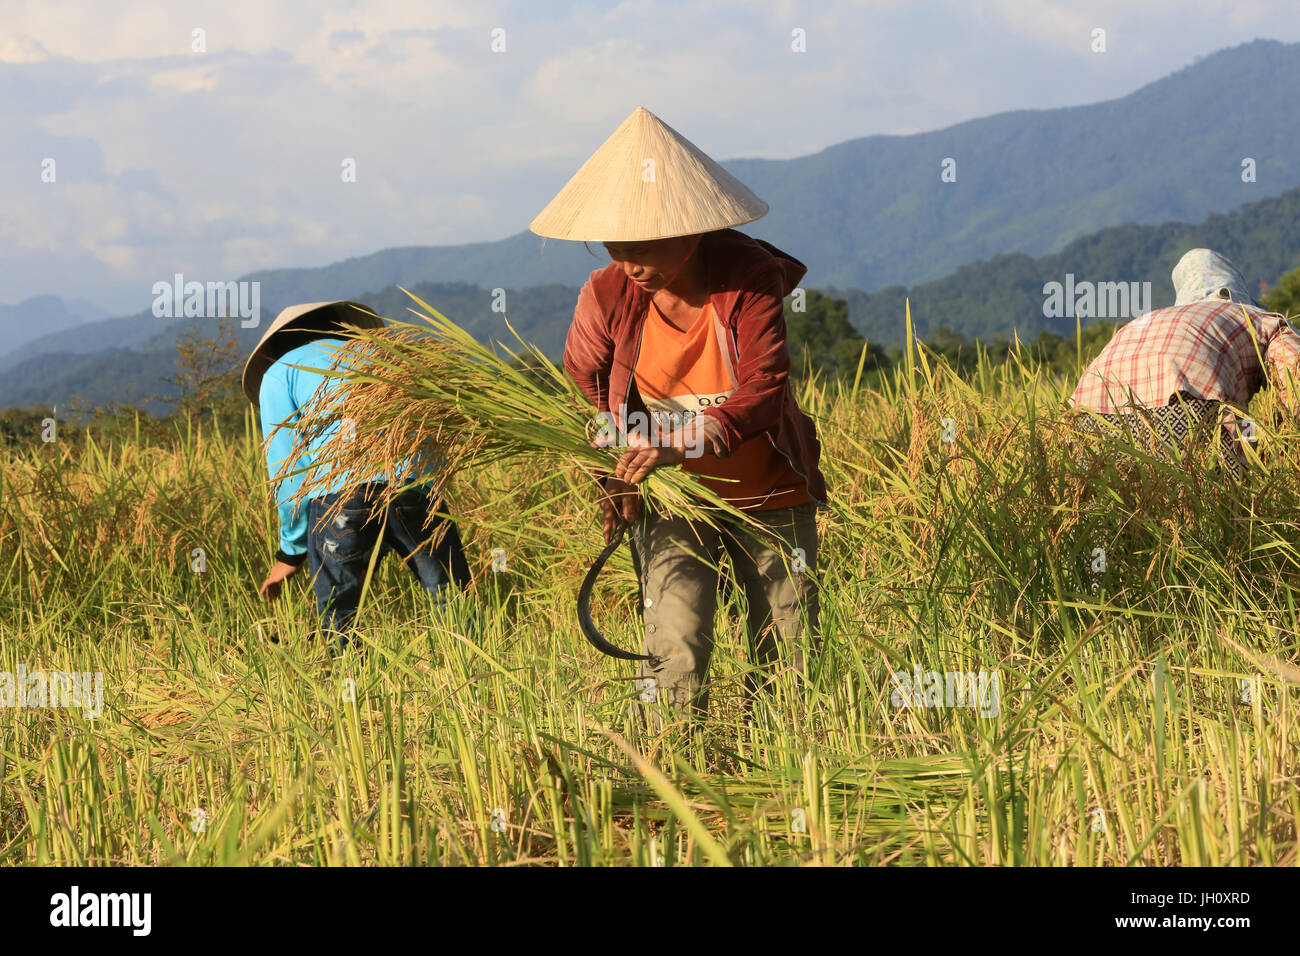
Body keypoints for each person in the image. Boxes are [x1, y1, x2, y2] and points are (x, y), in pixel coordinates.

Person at [531, 107, 828, 722]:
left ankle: (790, 769)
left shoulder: (747, 280)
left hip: (766, 491)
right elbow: (586, 386)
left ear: (690, 232)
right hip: (672, 498)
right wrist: (618, 465)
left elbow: (766, 386)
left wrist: (683, 440)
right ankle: (670, 775)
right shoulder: (607, 293)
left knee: (790, 642)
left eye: (642, 246)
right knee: (675, 644)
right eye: (616, 245)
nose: (628, 262)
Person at [243, 300, 471, 652]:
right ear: (339, 325)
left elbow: (288, 472)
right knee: (451, 596)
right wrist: (424, 488)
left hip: (341, 499)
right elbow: (425, 431)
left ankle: (352, 694)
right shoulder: (385, 357)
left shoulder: (280, 373)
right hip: (414, 487)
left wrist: (290, 553)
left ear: (275, 348)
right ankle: (471, 676)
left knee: (340, 614)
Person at [1069, 249, 1300, 476]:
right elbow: (1295, 386)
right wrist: (1276, 455)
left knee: (1115, 511)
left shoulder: (1145, 321)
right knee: (1224, 505)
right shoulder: (1259, 319)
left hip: (1088, 422)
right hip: (1185, 409)